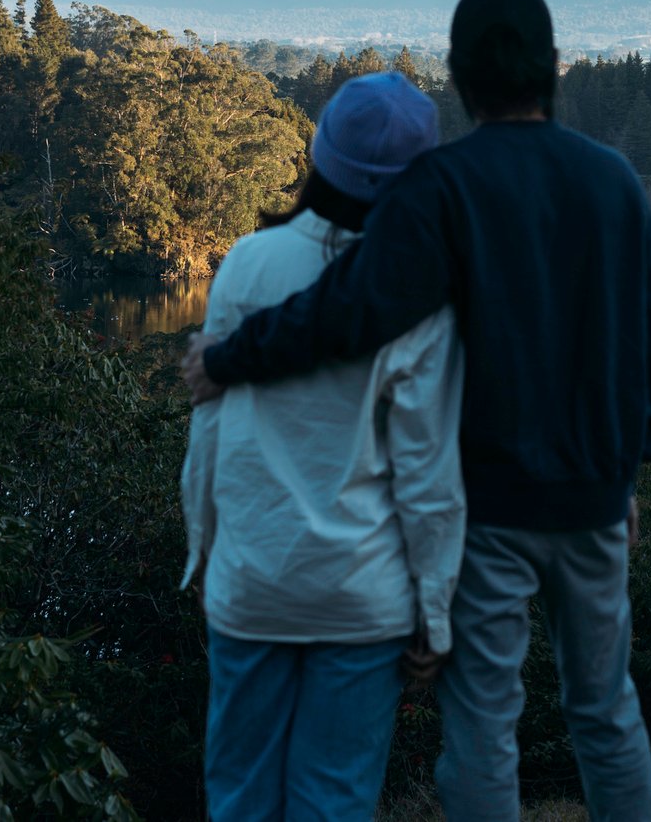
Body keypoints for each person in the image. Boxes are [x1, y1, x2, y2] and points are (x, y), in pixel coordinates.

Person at [186, 0, 651, 822]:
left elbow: (355, 307)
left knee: (484, 722)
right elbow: (646, 342)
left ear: (459, 76)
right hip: (593, 499)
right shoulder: (614, 181)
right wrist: (631, 470)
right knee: (607, 710)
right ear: (553, 66)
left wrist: (229, 357)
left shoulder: (442, 186)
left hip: (488, 504)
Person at [180, 70, 464, 822]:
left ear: (318, 155)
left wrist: (204, 550)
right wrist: (436, 613)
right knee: (333, 801)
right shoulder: (420, 301)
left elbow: (211, 428)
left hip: (253, 582)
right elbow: (428, 475)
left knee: (238, 795)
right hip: (362, 597)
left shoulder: (248, 261)